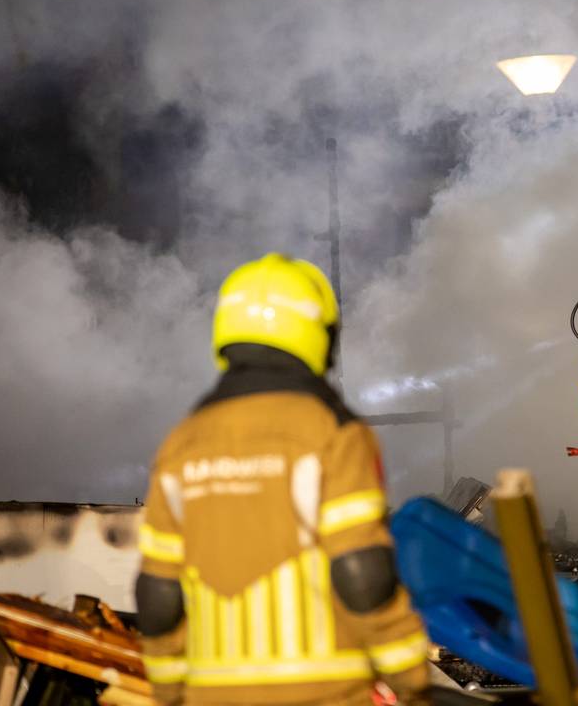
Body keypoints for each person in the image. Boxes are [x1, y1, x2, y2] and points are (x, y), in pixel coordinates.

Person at [135, 253, 431, 705]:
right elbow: (363, 573)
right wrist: (412, 679)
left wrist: (170, 692)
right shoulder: (333, 432)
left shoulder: (181, 444)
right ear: (319, 336)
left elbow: (158, 597)